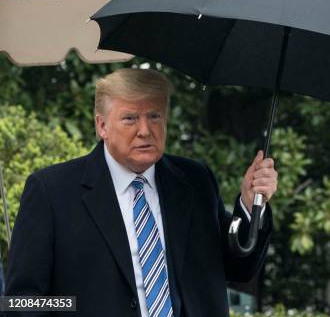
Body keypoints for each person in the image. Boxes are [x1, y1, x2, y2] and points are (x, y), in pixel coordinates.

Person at [5, 68, 277, 316]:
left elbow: (239, 267)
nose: (145, 130)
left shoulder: (195, 181)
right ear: (102, 126)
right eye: (130, 118)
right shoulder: (52, 191)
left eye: (154, 116)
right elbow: (21, 301)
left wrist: (251, 203)